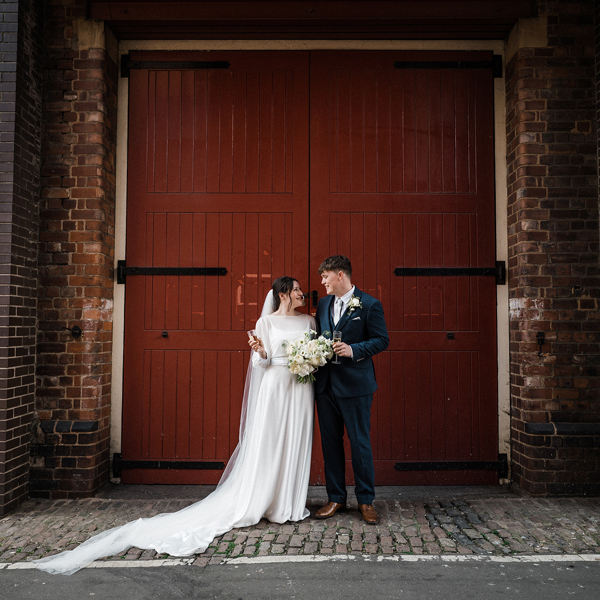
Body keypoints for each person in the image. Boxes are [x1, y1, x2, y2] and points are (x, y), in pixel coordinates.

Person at [33, 277, 315, 575]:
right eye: (297, 289)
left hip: (301, 388)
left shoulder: (309, 322)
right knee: (270, 443)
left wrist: (313, 359)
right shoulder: (265, 323)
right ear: (284, 294)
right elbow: (264, 363)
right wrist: (259, 352)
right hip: (275, 389)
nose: (302, 293)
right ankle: (265, 500)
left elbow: (315, 354)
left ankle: (289, 504)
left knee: (296, 440)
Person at [314, 255, 389, 524]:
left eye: (325, 276)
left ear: (340, 275)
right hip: (325, 387)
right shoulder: (323, 304)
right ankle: (335, 498)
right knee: (330, 444)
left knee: (359, 443)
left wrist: (354, 350)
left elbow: (382, 340)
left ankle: (366, 501)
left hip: (356, 386)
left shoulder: (369, 304)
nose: (322, 282)